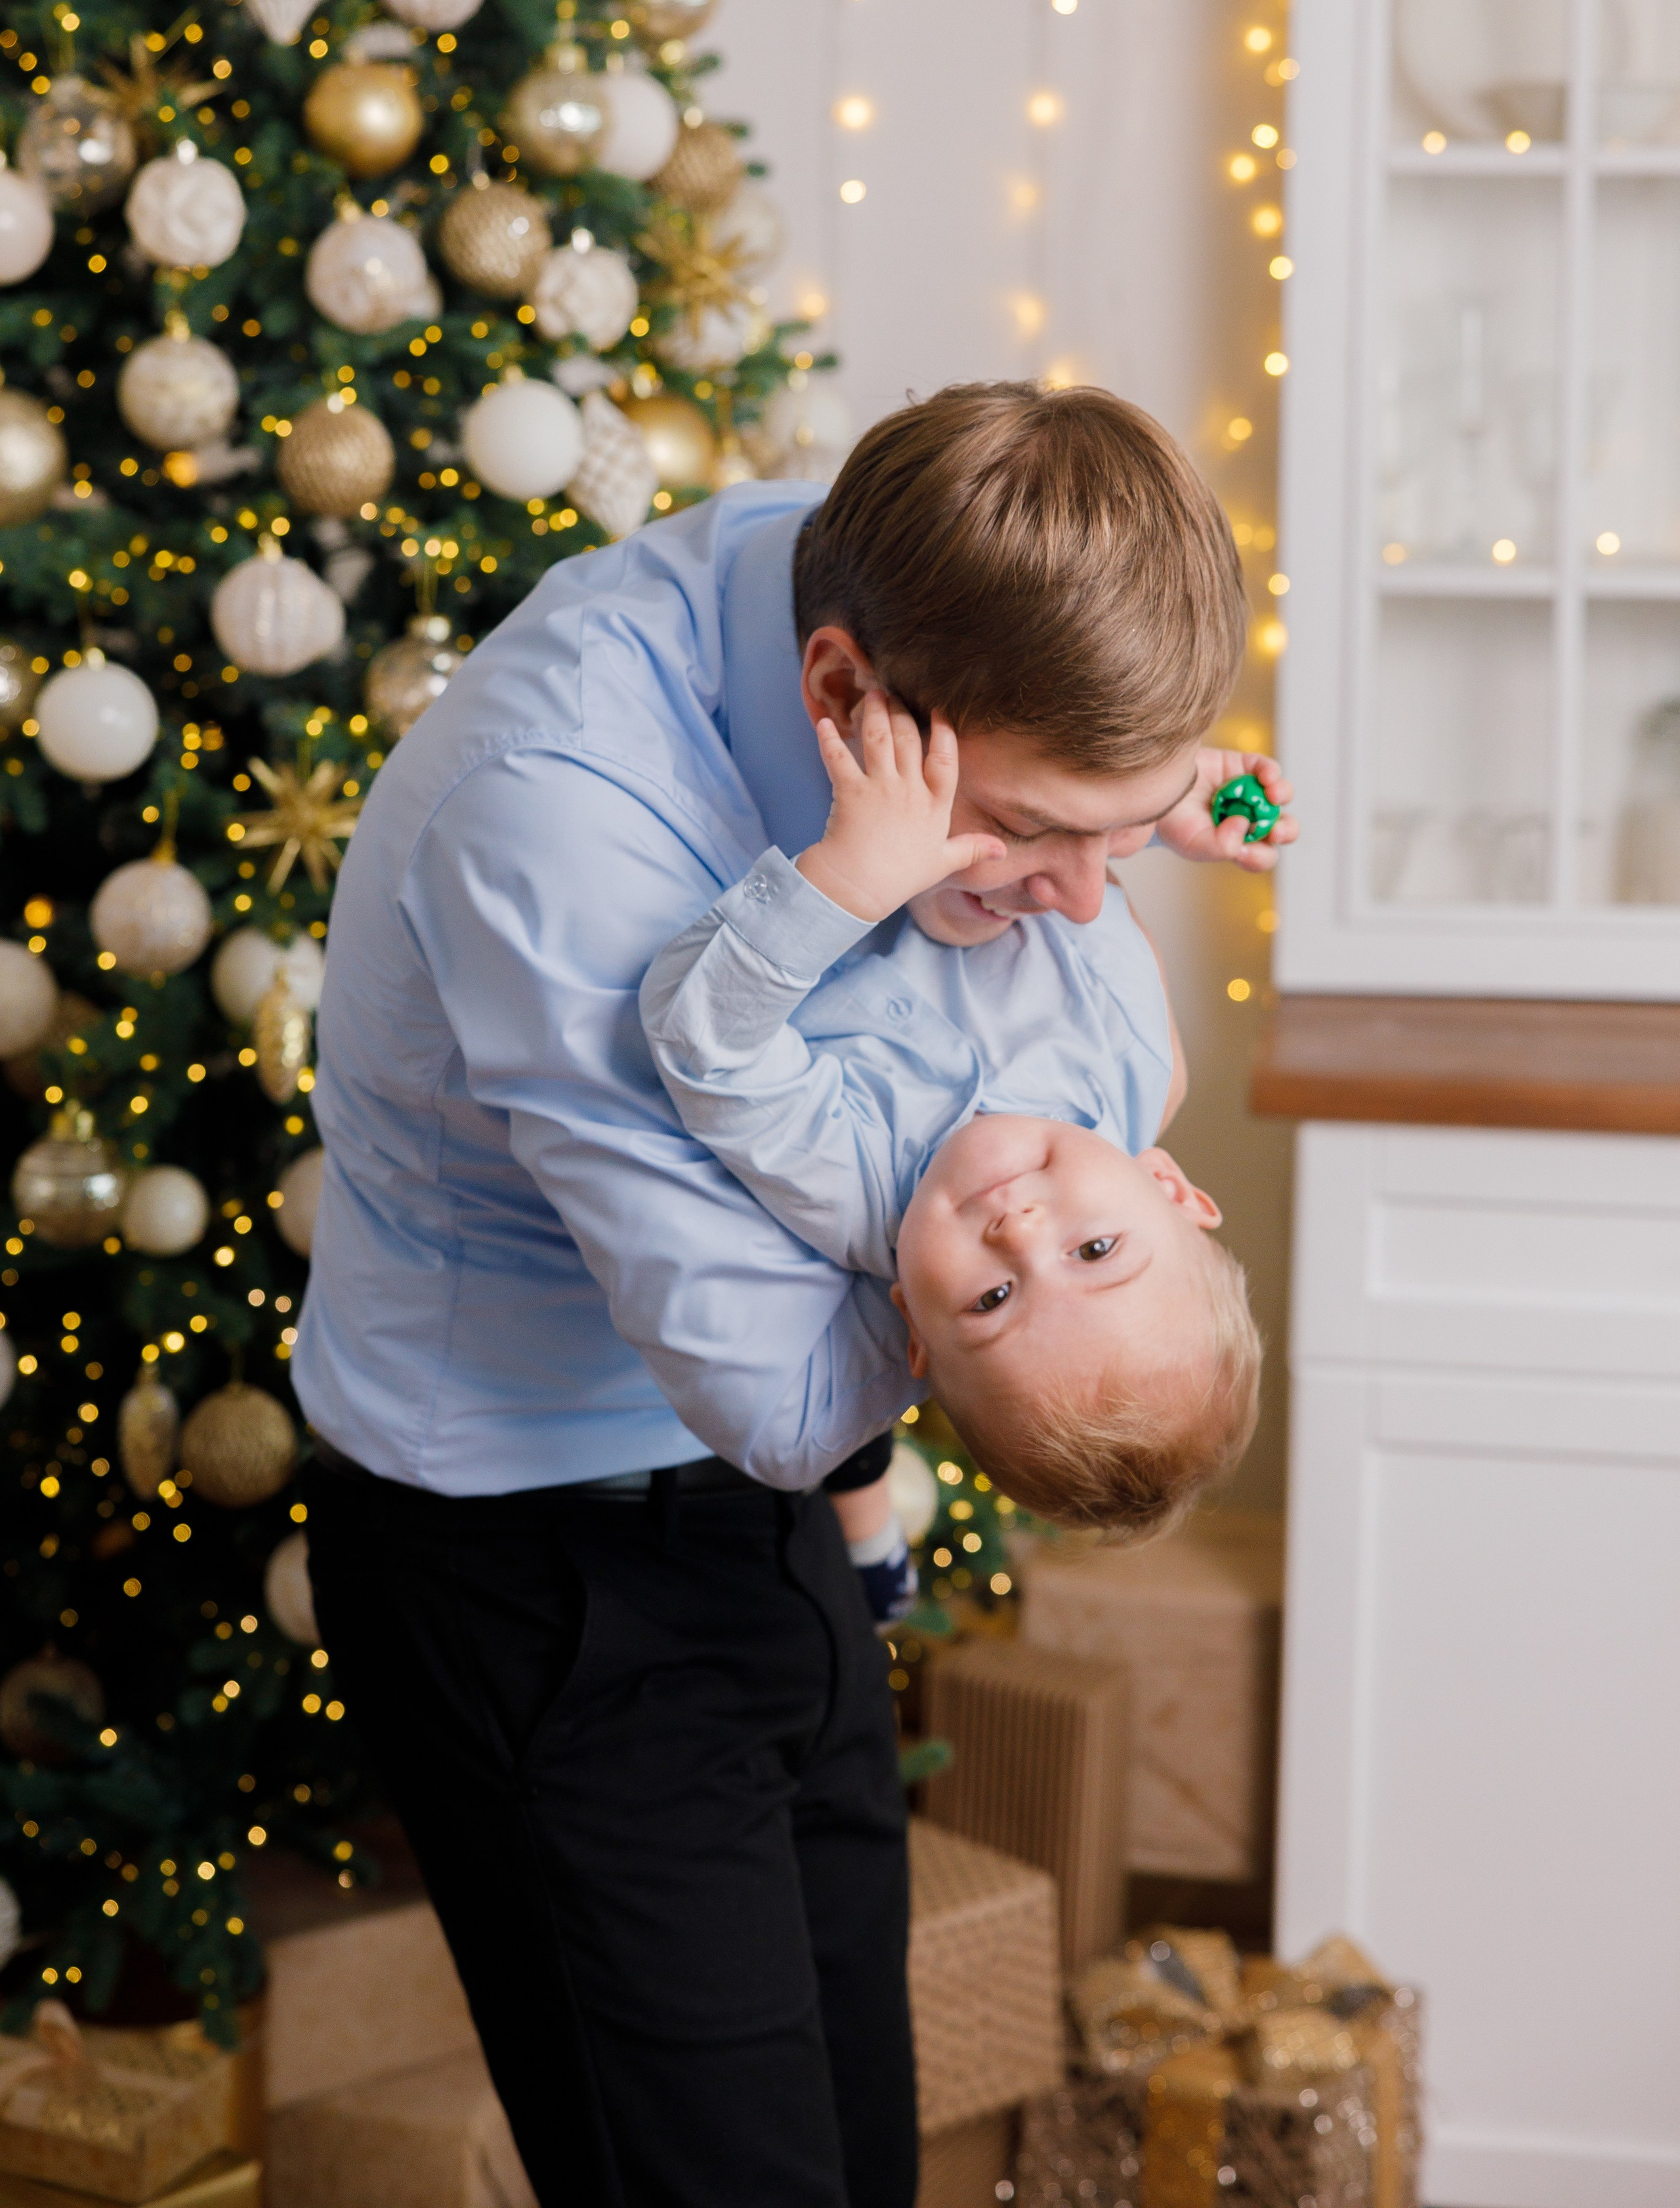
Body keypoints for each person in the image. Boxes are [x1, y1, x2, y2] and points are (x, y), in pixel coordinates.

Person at [291, 381, 1294, 2208]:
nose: (1087, 905)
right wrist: (988, 1324)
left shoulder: (921, 592)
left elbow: (1069, 1031)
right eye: (1031, 833)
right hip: (538, 1562)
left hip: (781, 1532)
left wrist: (1161, 807)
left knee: (855, 2143)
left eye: (1126, 829)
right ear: (842, 695)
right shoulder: (559, 817)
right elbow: (774, 1374)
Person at [640, 689, 1263, 1564]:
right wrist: (1157, 813)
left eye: (993, 1300)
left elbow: (701, 1041)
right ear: (1168, 1188)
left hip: (832, 785)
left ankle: (870, 1539)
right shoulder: (1137, 1058)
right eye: (1095, 1252)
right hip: (980, 748)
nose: (1020, 1233)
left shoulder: (850, 1182)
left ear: (913, 1325)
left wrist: (850, 879)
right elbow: (1084, 888)